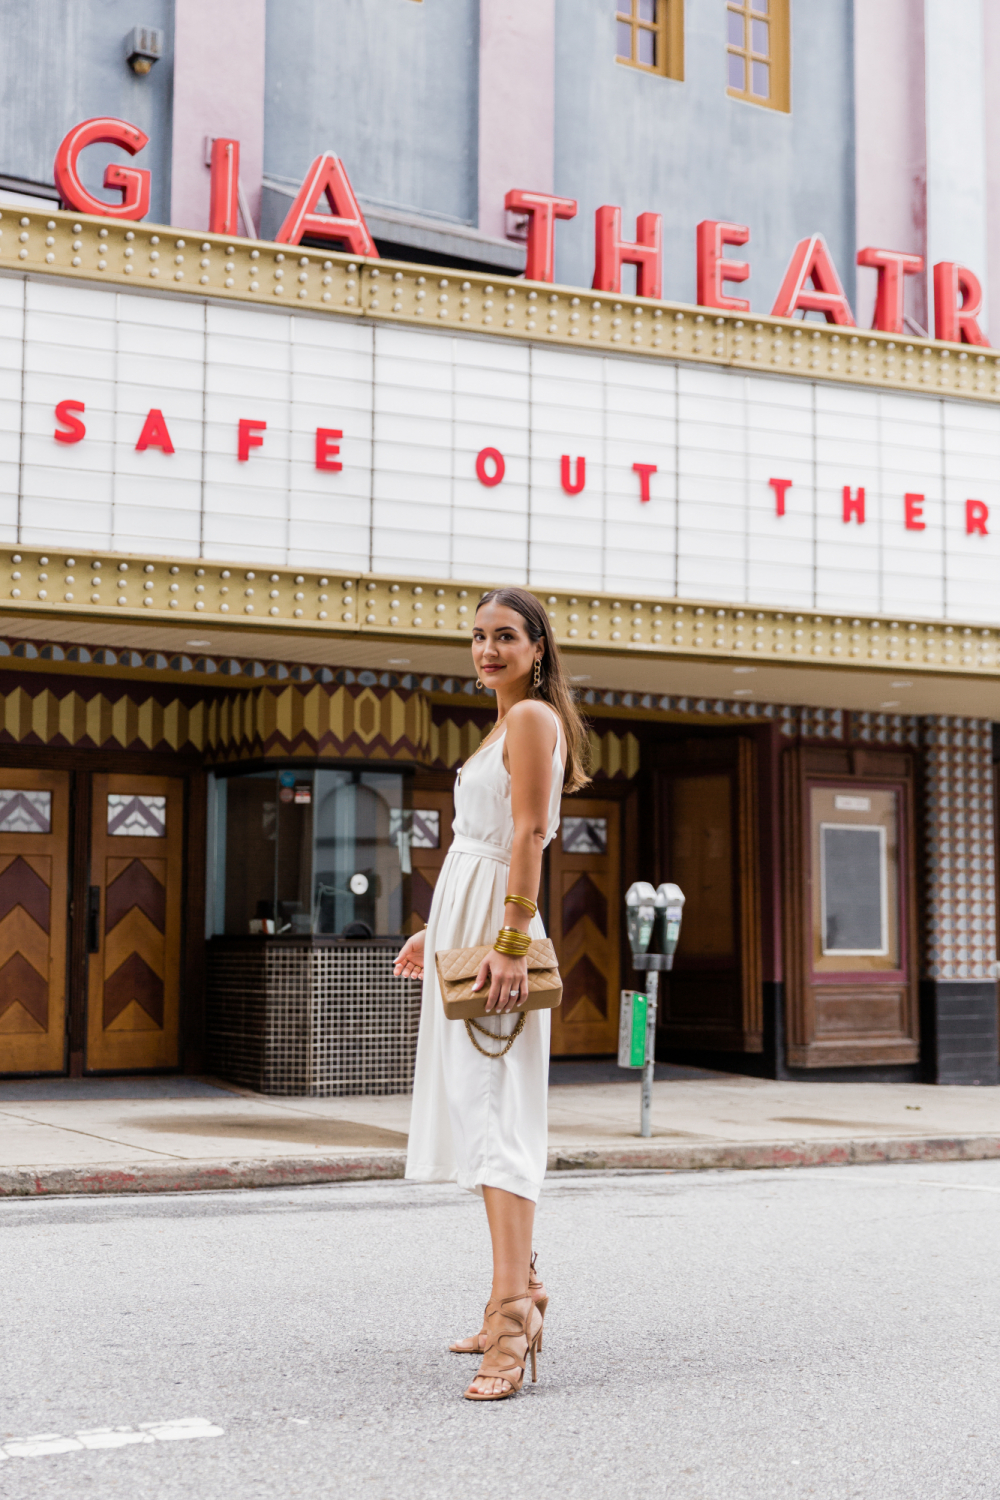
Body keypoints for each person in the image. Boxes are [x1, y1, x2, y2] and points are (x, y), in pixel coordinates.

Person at [395, 585, 590, 1400]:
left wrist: (511, 941)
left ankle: (513, 1322)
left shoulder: (534, 720)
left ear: (538, 648)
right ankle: (519, 1285)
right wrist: (435, 932)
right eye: (477, 637)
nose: (487, 650)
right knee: (479, 1114)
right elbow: (479, 842)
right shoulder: (500, 727)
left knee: (499, 1117)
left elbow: (526, 835)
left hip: (501, 932)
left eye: (505, 636)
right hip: (468, 922)